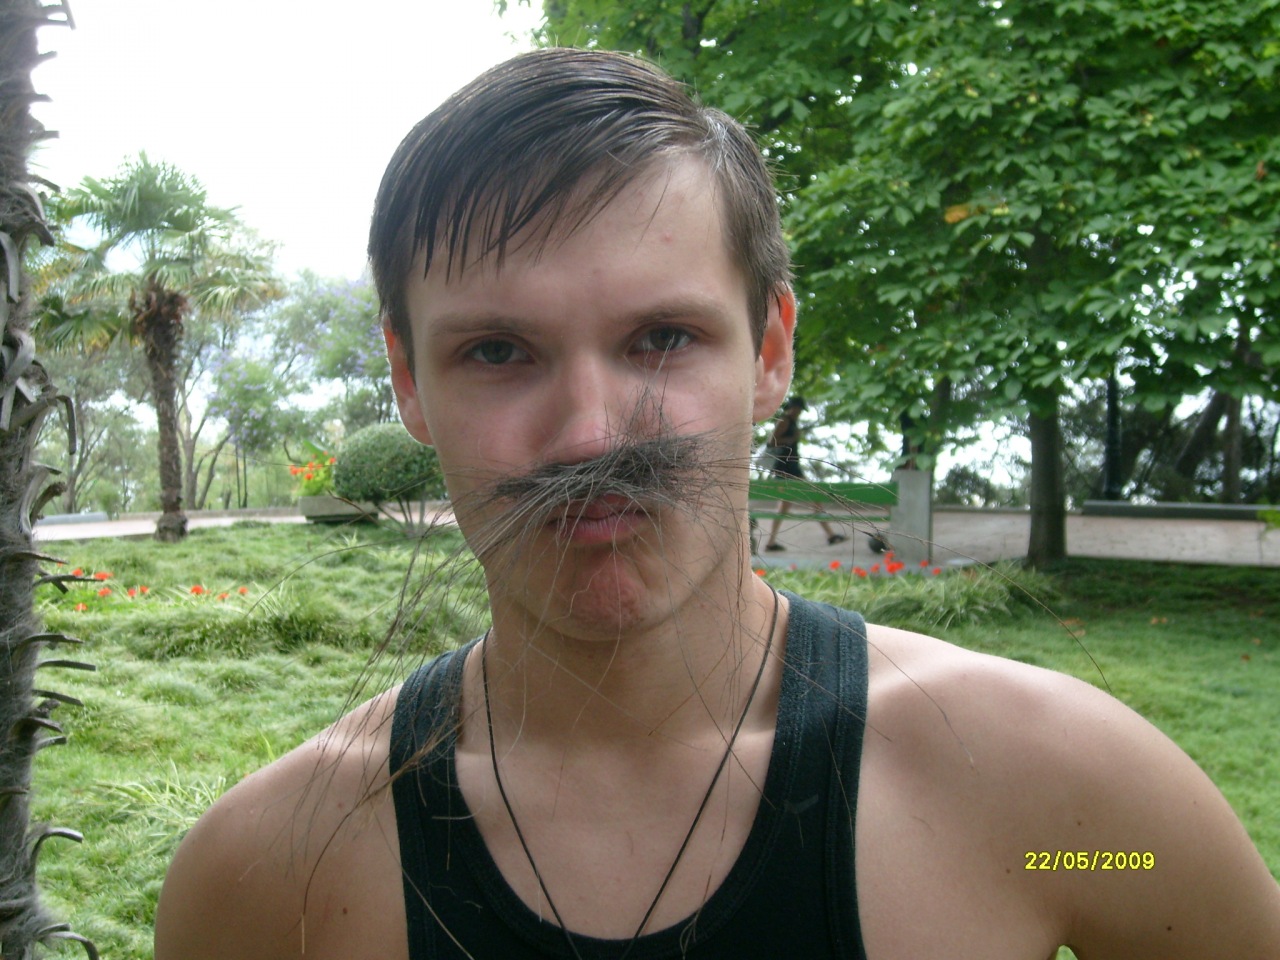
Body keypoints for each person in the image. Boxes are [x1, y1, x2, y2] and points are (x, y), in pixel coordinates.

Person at [153, 49, 1280, 960]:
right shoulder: (269, 880)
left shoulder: (1051, 810)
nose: (591, 433)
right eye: (497, 351)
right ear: (408, 381)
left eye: (662, 337)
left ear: (770, 351)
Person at [760, 395, 847, 551]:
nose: (798, 412)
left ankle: (771, 542)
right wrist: (792, 438)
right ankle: (830, 535)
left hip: (791, 467)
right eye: (797, 409)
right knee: (814, 496)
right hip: (786, 468)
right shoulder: (784, 420)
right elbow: (772, 442)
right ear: (792, 408)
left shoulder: (791, 421)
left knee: (786, 506)